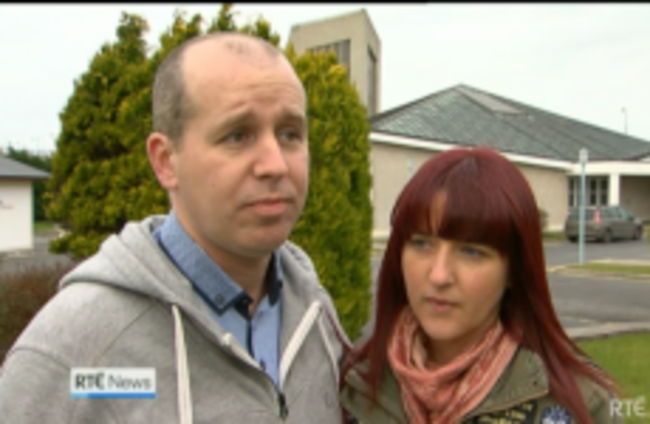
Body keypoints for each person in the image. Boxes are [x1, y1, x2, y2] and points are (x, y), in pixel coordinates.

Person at [0, 32, 348, 423]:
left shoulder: (316, 313)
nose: (276, 164)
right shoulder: (76, 351)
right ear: (165, 161)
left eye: (289, 134)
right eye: (237, 135)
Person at [340, 147, 622, 424]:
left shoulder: (580, 406)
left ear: (513, 270)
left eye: (471, 251)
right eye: (422, 244)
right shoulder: (352, 386)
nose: (439, 276)